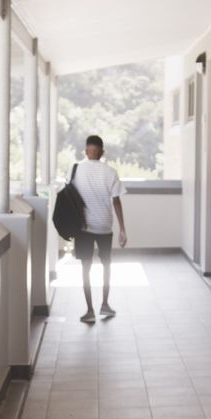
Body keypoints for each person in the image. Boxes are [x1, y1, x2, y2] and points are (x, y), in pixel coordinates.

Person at [70, 135, 128, 324]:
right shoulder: (110, 171)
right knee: (106, 266)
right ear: (102, 152)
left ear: (86, 151)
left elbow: (68, 196)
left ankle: (89, 310)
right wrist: (122, 229)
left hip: (83, 227)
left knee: (85, 269)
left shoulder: (75, 170)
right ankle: (105, 304)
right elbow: (117, 200)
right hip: (104, 226)